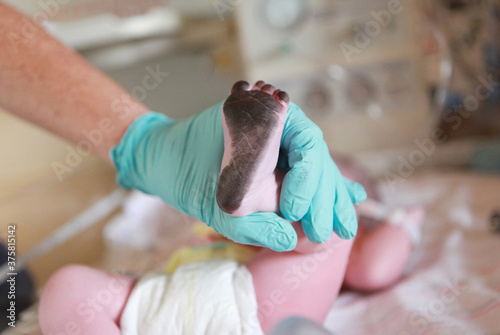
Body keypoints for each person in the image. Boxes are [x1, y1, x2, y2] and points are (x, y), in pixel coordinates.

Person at [38, 80, 424, 334]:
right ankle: (257, 198)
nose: (292, 179)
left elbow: (374, 268)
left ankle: (265, 200)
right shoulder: (206, 227)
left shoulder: (342, 244)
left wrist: (402, 225)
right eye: (282, 172)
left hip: (254, 308)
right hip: (157, 304)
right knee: (68, 287)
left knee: (328, 234)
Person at [0, 3, 366, 252]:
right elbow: (371, 269)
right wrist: (404, 227)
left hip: (202, 281)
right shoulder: (352, 241)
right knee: (312, 239)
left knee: (42, 290)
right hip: (232, 288)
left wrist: (139, 142)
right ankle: (263, 194)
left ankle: (262, 191)